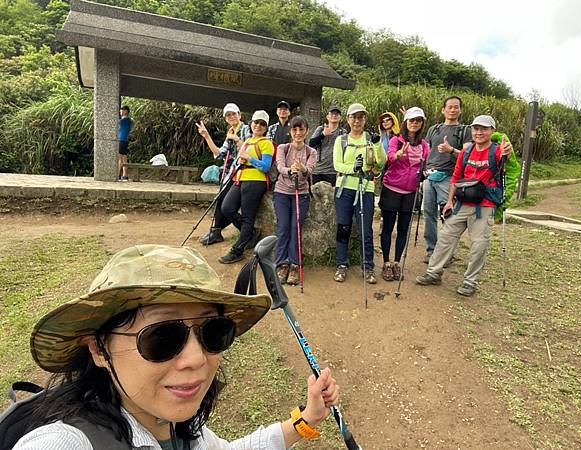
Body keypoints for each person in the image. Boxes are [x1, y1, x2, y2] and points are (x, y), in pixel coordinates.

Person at [12, 244, 339, 449]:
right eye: (162, 337)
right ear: (99, 349)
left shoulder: (179, 431)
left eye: (214, 332)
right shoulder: (64, 443)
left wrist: (306, 420)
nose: (196, 358)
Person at [416, 115, 512, 296]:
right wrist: (450, 201)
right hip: (461, 203)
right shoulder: (466, 152)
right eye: (476, 129)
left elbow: (506, 158)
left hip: (484, 205)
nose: (479, 132)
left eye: (484, 129)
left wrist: (508, 150)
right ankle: (433, 272)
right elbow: (456, 176)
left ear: (492, 130)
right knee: (445, 237)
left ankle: (470, 282)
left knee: (478, 245)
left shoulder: (497, 151)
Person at [332, 103, 386, 284]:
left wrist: (378, 145)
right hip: (345, 188)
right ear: (348, 119)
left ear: (364, 119)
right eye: (354, 117)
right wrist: (352, 168)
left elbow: (380, 164)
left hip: (366, 188)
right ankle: (341, 264)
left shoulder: (371, 140)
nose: (357, 120)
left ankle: (368, 266)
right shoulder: (341, 140)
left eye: (360, 117)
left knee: (366, 230)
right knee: (343, 227)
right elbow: (337, 165)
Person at [379, 107, 430, 281]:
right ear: (405, 122)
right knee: (388, 227)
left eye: (418, 120)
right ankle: (386, 263)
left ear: (422, 123)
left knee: (403, 229)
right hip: (392, 188)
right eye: (411, 120)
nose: (414, 123)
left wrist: (427, 173)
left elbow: (425, 166)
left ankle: (396, 263)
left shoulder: (424, 145)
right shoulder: (396, 140)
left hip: (410, 192)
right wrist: (398, 155)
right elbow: (390, 157)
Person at [219, 110, 274, 264]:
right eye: (256, 122)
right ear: (251, 124)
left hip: (256, 181)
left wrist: (249, 159)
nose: (258, 126)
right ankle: (249, 232)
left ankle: (238, 250)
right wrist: (240, 162)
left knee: (248, 216)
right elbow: (237, 161)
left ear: (266, 127)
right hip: (240, 178)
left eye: (262, 124)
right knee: (227, 208)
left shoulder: (266, 143)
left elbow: (265, 166)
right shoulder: (247, 142)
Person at [422, 96, 472, 263]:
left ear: (460, 110)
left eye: (456, 107)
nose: (452, 110)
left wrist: (451, 150)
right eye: (449, 107)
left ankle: (446, 253)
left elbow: (467, 156)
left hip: (450, 177)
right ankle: (431, 250)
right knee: (428, 214)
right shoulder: (433, 129)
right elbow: (425, 151)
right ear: (443, 110)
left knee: (448, 216)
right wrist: (423, 172)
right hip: (430, 176)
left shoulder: (466, 130)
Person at [196, 103, 251, 245]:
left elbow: (249, 149)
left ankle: (245, 231)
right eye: (228, 115)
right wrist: (207, 136)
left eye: (233, 114)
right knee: (220, 199)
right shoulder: (230, 132)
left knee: (227, 205)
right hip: (232, 171)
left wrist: (236, 139)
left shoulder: (246, 129)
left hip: (243, 170)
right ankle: (216, 231)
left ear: (239, 114)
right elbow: (219, 153)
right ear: (225, 118)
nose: (231, 117)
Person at [273, 116, 318, 285]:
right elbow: (280, 166)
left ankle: (294, 264)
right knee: (283, 226)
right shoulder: (283, 148)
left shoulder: (310, 151)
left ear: (306, 131)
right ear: (290, 131)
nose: (298, 133)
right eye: (294, 129)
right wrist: (290, 170)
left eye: (301, 129)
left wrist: (302, 168)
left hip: (302, 193)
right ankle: (281, 263)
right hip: (282, 193)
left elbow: (310, 170)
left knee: (295, 227)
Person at [308, 105, 346, 186]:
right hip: (318, 169)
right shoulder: (320, 129)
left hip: (333, 170)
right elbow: (311, 144)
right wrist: (323, 134)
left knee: (331, 196)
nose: (334, 116)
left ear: (340, 118)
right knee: (317, 196)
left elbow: (346, 150)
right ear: (327, 116)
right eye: (332, 114)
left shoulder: (343, 132)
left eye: (337, 114)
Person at [118, 105, 133, 182]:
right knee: (124, 157)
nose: (120, 112)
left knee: (121, 158)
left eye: (121, 110)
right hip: (124, 140)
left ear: (125, 111)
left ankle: (119, 175)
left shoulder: (124, 120)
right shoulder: (128, 120)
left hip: (121, 139)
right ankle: (124, 175)